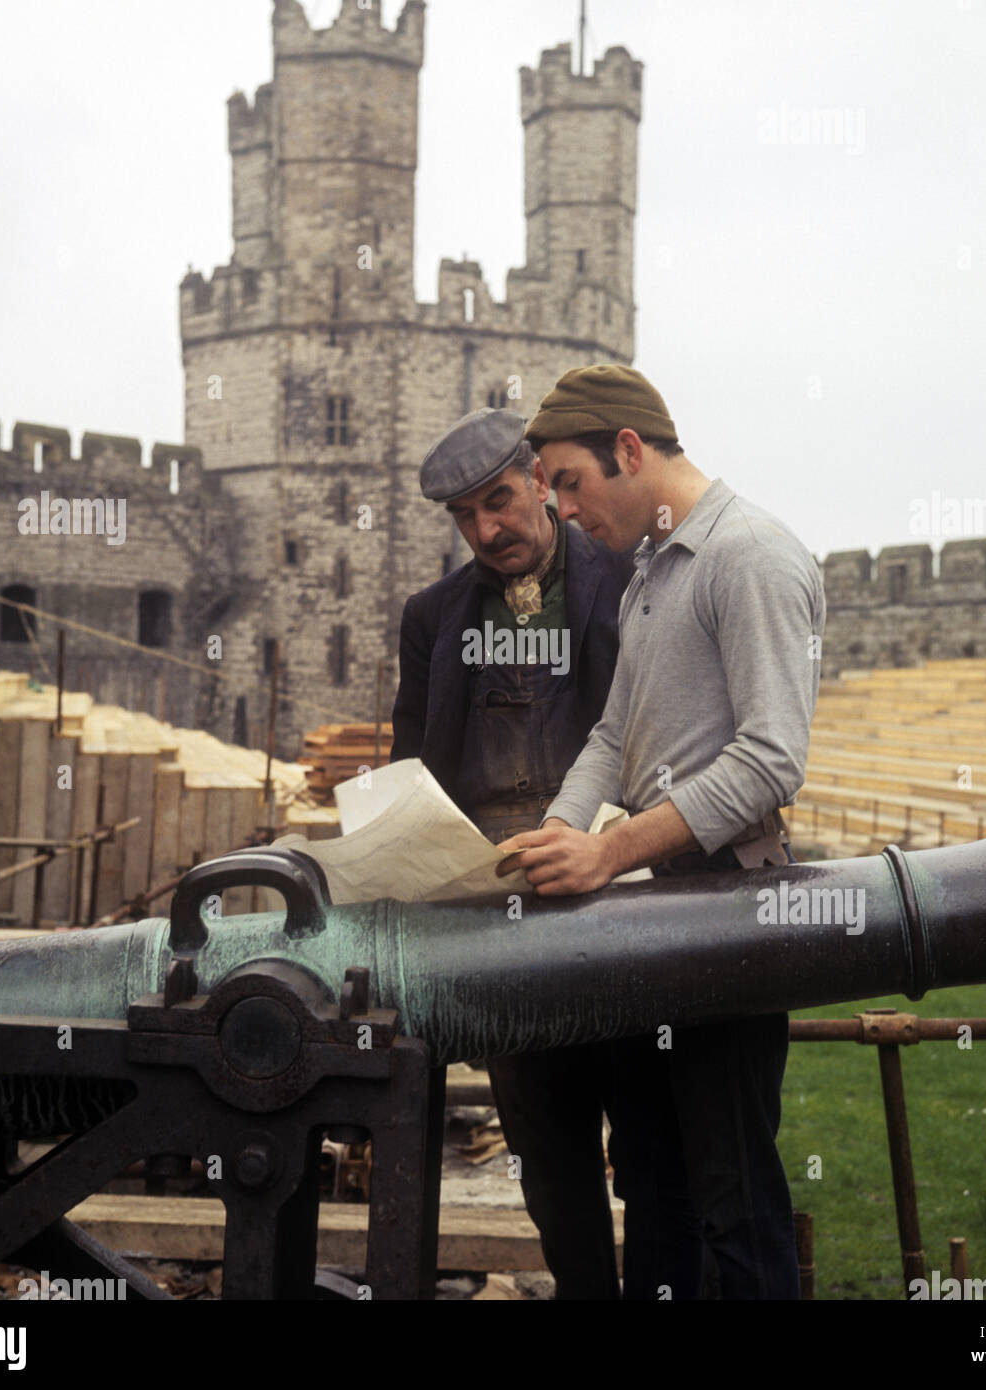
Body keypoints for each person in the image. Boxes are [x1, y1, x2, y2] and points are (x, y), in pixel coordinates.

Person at [497, 364, 826, 1300]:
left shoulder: (751, 555)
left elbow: (771, 760)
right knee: (648, 1181)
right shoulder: (652, 569)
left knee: (730, 1193)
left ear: (629, 450)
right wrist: (548, 841)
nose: (557, 509)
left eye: (567, 481)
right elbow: (612, 735)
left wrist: (607, 849)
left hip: (728, 913)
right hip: (655, 916)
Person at [389, 407, 633, 1299]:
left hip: (629, 907)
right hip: (503, 925)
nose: (487, 530)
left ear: (539, 481)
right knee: (544, 1146)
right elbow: (410, 768)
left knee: (648, 1136)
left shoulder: (630, 577)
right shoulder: (432, 618)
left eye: (499, 501)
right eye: (464, 517)